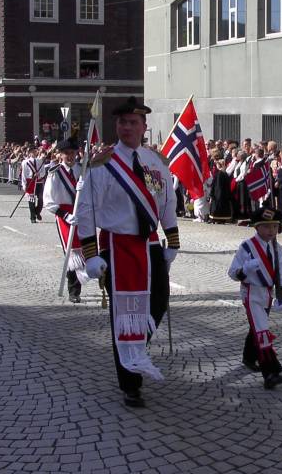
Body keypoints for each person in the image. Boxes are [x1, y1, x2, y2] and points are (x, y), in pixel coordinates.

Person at [74, 96, 179, 408]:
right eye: (122, 122)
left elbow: (168, 203)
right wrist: (90, 254)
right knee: (123, 313)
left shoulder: (156, 162)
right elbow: (86, 211)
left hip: (149, 244)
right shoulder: (102, 165)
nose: (127, 127)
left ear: (144, 127)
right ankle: (130, 383)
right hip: (117, 246)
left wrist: (172, 241)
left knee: (158, 302)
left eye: (133, 122)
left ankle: (134, 350)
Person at [227, 207, 282, 389]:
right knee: (262, 331)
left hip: (267, 294)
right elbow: (232, 272)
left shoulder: (276, 248)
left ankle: (248, 357)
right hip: (252, 293)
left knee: (256, 327)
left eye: (274, 226)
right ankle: (270, 372)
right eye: (266, 226)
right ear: (256, 227)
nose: (271, 230)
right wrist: (244, 270)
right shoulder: (247, 247)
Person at [43, 138, 85, 303]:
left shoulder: (82, 170)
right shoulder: (55, 173)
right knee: (72, 252)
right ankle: (74, 290)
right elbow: (48, 201)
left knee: (86, 250)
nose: (70, 156)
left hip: (82, 212)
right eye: (66, 153)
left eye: (73, 153)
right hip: (65, 215)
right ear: (60, 155)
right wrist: (65, 215)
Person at [21, 147, 47, 224]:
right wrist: (24, 184)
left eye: (35, 151)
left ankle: (37, 211)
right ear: (29, 153)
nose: (34, 153)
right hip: (30, 182)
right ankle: (33, 217)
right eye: (32, 152)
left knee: (41, 200)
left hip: (39, 182)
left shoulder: (40, 161)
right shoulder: (25, 162)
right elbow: (24, 174)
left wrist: (39, 175)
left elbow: (43, 172)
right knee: (31, 200)